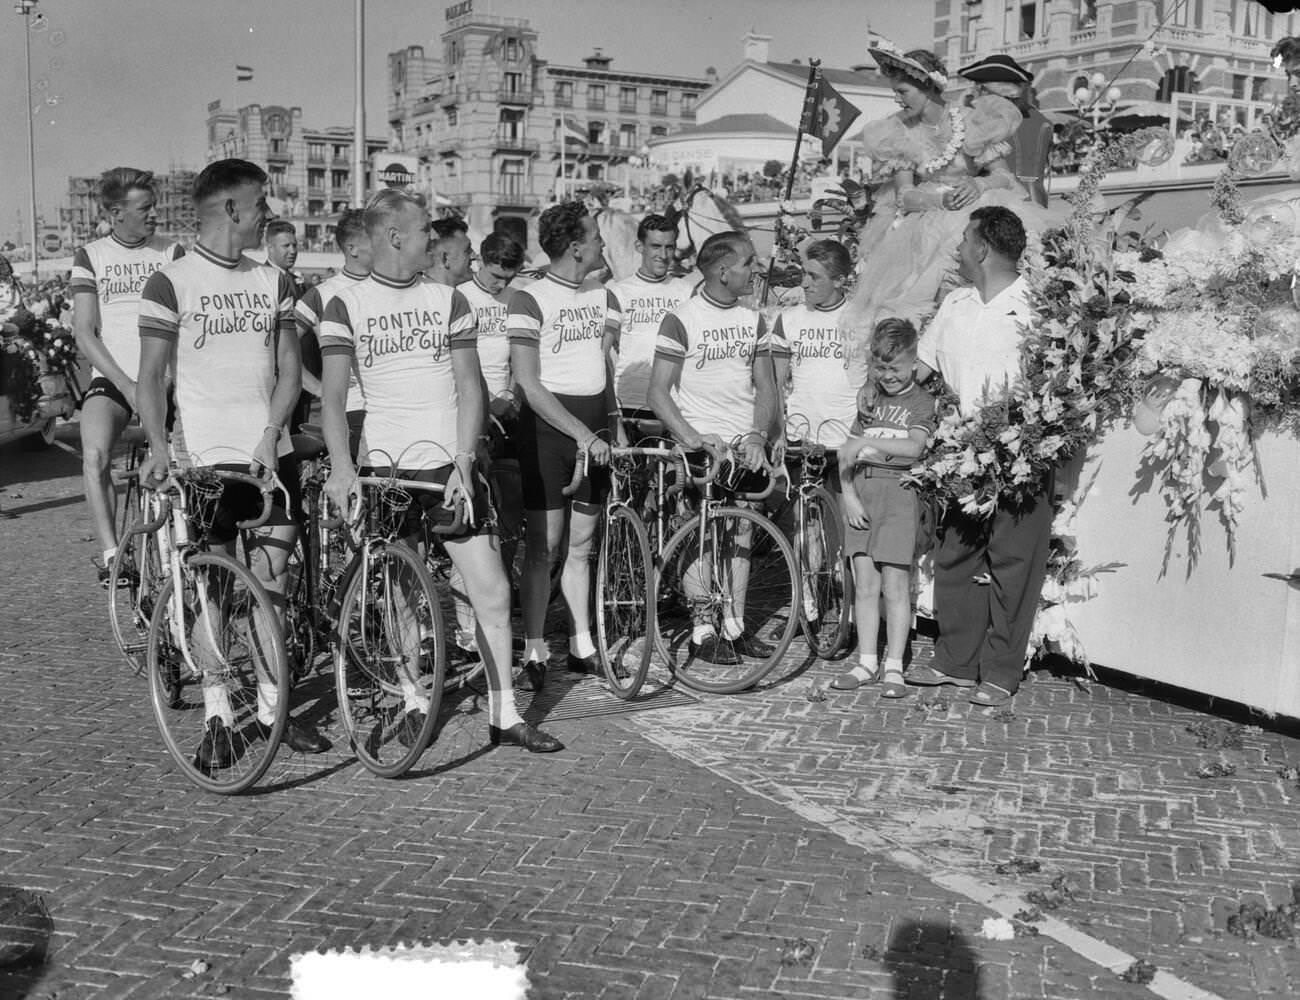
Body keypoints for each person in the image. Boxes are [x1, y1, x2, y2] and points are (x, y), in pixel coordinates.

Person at [318, 189, 561, 753]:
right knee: (401, 592)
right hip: (384, 467)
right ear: (394, 235)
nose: (434, 237)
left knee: (493, 590)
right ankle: (413, 698)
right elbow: (333, 400)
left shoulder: (448, 299)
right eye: (424, 228)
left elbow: (470, 386)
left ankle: (505, 715)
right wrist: (341, 469)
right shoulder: (345, 304)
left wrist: (465, 459)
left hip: (447, 467)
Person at [137, 158, 330, 768]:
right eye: (262, 201)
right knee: (213, 588)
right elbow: (149, 379)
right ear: (232, 209)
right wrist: (162, 449)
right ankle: (220, 714)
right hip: (204, 459)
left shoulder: (273, 280)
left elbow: (290, 370)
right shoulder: (172, 282)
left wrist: (272, 432)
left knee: (272, 586)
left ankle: (275, 709)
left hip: (266, 457)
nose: (269, 211)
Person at [906, 206, 1050, 708]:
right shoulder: (956, 304)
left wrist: (1020, 439)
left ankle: (1001, 671)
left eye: (965, 240)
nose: (958, 250)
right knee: (956, 557)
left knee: (1014, 564)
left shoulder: (1040, 307)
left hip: (1023, 453)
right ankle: (956, 663)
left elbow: (1056, 386)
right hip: (963, 457)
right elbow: (921, 370)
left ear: (984, 248)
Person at [841, 39, 1034, 354]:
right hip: (925, 217)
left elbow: (1003, 176)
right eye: (895, 91)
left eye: (902, 91)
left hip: (973, 207)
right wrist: (938, 202)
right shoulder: (897, 131)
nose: (897, 99)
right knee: (910, 291)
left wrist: (979, 185)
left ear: (927, 86)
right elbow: (904, 195)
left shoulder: (971, 120)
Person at [648, 230, 784, 664]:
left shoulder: (753, 319)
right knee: (702, 536)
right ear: (723, 271)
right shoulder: (681, 318)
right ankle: (703, 630)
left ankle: (736, 625)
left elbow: (767, 385)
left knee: (740, 532)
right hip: (700, 446)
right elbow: (658, 393)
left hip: (744, 446)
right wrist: (691, 438)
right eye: (748, 263)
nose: (755, 270)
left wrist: (760, 436)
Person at [507, 200, 620, 692]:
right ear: (576, 246)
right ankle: (534, 645)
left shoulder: (603, 296)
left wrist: (611, 425)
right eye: (595, 236)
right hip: (551, 434)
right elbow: (529, 384)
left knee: (582, 547)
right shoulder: (529, 298)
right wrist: (582, 435)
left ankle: (580, 643)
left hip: (595, 428)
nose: (601, 244)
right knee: (544, 548)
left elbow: (606, 366)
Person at [69, 167, 184, 587]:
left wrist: (162, 383)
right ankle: (112, 554)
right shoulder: (92, 255)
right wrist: (127, 384)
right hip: (116, 379)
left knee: (189, 464)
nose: (155, 214)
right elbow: (85, 331)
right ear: (117, 212)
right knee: (95, 455)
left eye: (154, 205)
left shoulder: (171, 252)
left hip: (166, 378)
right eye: (145, 207)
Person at [829, 318, 937, 698]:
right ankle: (866, 661)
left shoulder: (921, 402)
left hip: (898, 497)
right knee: (864, 585)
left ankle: (894, 666)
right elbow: (847, 452)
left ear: (912, 363)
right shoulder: (870, 399)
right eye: (880, 367)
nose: (887, 376)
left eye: (894, 368)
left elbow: (914, 448)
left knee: (895, 586)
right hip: (863, 496)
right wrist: (848, 495)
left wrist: (866, 442)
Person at [458, 232, 526, 584]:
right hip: (470, 411)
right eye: (496, 275)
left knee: (512, 505)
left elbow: (523, 354)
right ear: (480, 261)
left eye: (509, 278)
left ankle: (504, 579)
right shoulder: (460, 296)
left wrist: (511, 396)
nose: (502, 284)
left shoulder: (518, 297)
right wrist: (482, 407)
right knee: (474, 506)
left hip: (508, 410)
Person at [771, 239, 864, 450]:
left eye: (814, 276)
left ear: (839, 281)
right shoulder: (787, 319)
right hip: (799, 437)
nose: (804, 283)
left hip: (849, 440)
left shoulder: (863, 318)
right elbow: (775, 382)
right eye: (804, 273)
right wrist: (778, 432)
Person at [294, 209, 371, 460]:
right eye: (375, 237)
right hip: (347, 412)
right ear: (353, 248)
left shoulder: (393, 288)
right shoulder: (321, 294)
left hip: (391, 411)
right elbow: (280, 348)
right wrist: (317, 388)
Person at [606, 214, 695, 423]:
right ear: (639, 246)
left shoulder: (687, 292)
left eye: (670, 247)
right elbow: (604, 352)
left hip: (676, 405)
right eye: (655, 246)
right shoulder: (618, 292)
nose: (663, 255)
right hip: (629, 402)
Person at [958, 54, 1053, 208]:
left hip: (1002, 203)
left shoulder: (991, 122)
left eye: (981, 89)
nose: (977, 98)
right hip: (1038, 201)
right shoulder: (1043, 121)